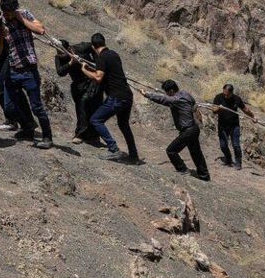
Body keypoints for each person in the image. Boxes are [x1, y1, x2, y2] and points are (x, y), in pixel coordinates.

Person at [0, 0, 53, 149]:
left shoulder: (25, 14)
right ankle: (28, 126)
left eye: (10, 12)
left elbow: (40, 30)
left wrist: (20, 19)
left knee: (37, 107)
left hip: (29, 71)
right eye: (6, 12)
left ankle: (47, 137)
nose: (8, 16)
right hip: (13, 70)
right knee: (9, 107)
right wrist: (1, 35)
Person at [83, 33, 139, 162]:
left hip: (116, 97)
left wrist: (84, 70)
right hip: (127, 95)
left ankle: (113, 149)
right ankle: (134, 155)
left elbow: (98, 77)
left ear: (93, 46)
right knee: (124, 125)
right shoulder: (114, 54)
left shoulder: (101, 58)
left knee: (96, 120)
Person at [0, 2, 33, 132]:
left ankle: (16, 121)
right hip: (3, 60)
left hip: (9, 60)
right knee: (15, 92)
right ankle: (27, 123)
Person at [142, 80, 209, 181]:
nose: (166, 94)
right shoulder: (186, 94)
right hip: (194, 128)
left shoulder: (175, 100)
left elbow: (162, 99)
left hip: (188, 131)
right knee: (196, 153)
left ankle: (183, 169)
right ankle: (204, 175)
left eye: (167, 92)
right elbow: (193, 104)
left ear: (172, 91)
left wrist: (146, 94)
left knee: (171, 150)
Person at [55, 39, 101, 145]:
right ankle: (81, 134)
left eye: (62, 51)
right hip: (78, 84)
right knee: (81, 108)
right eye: (58, 52)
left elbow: (93, 46)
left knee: (93, 108)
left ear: (69, 49)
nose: (60, 54)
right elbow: (60, 72)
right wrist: (71, 63)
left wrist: (97, 63)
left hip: (92, 81)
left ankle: (94, 136)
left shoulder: (80, 47)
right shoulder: (59, 58)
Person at [210, 84, 254, 170]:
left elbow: (245, 109)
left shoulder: (236, 99)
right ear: (223, 90)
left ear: (231, 93)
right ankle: (228, 159)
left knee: (236, 145)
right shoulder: (218, 97)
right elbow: (213, 110)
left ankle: (238, 163)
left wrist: (253, 117)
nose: (226, 96)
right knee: (223, 145)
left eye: (228, 94)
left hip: (234, 126)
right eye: (224, 93)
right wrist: (219, 108)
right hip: (222, 125)